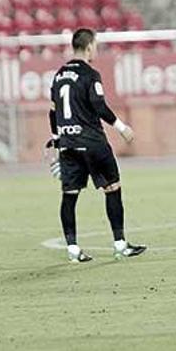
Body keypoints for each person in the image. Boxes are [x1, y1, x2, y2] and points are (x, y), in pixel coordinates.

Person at [48, 28, 146, 262]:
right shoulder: (90, 74)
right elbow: (99, 106)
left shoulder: (59, 75)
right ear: (90, 46)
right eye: (96, 45)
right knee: (113, 188)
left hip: (68, 143)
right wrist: (122, 128)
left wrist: (57, 139)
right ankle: (120, 244)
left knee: (69, 195)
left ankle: (72, 249)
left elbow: (53, 112)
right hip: (92, 142)